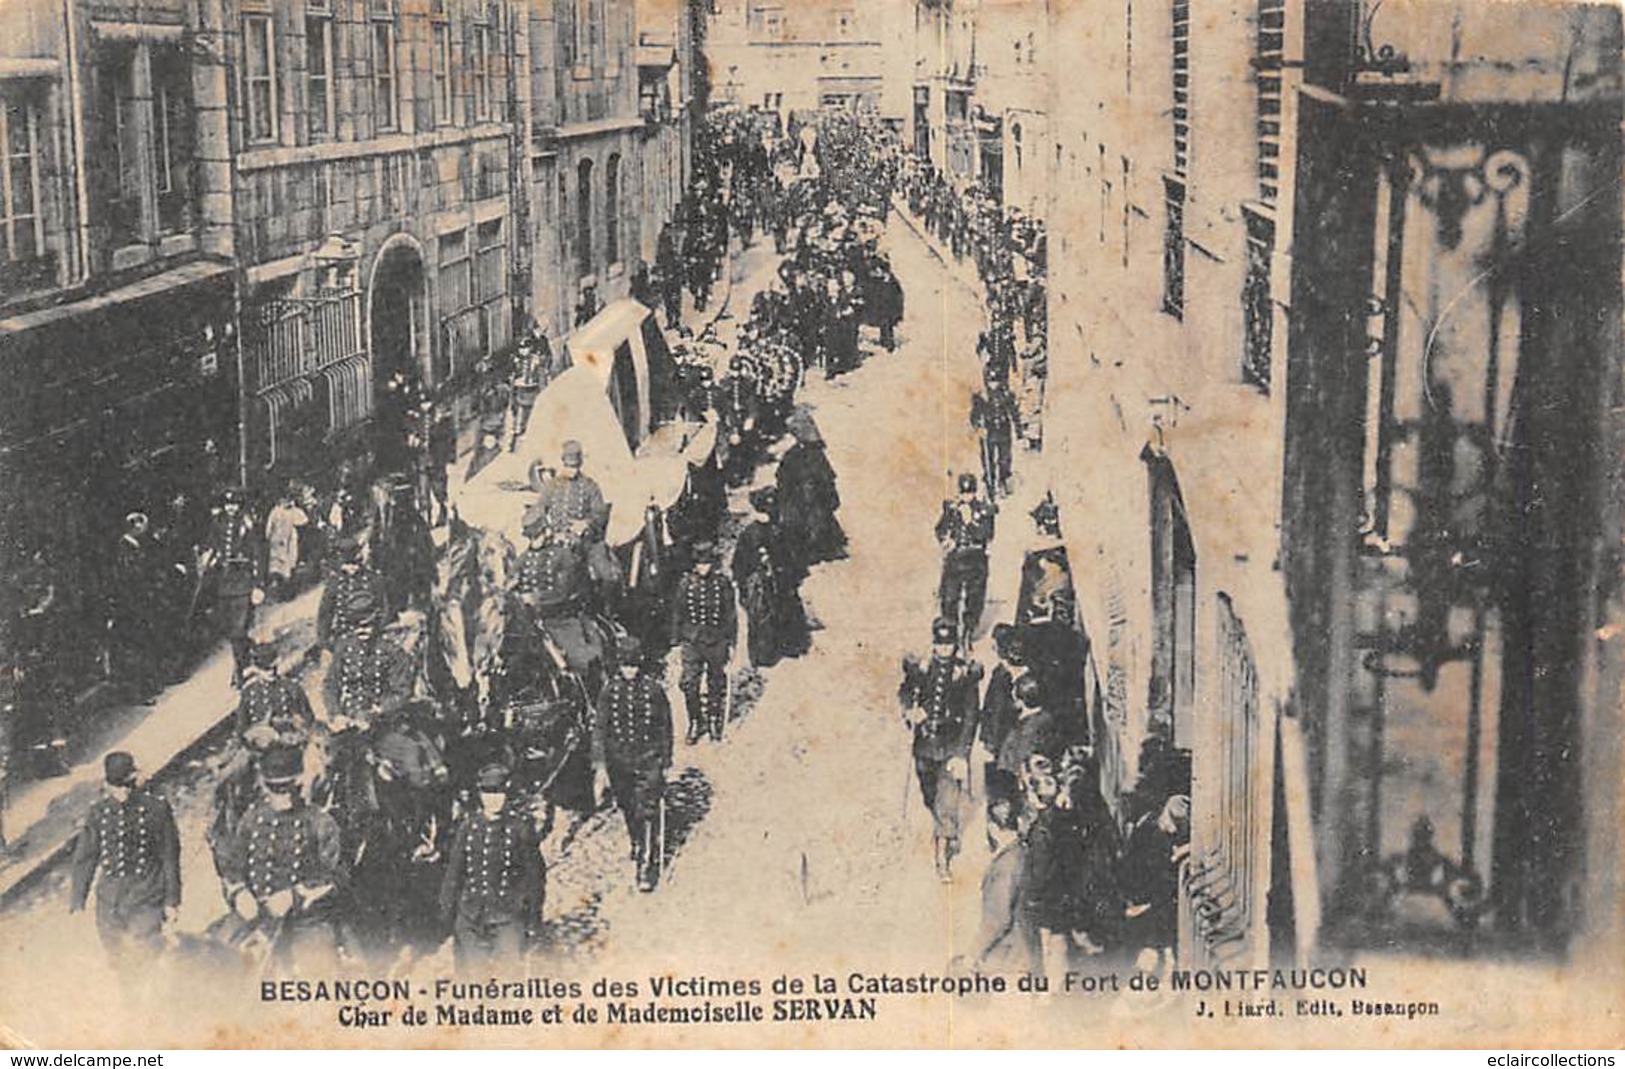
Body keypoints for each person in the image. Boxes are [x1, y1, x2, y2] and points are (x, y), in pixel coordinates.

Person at [218, 744, 345, 973]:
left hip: (306, 921)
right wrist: (239, 894)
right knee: (215, 962)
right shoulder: (251, 818)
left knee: (318, 974)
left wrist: (294, 895)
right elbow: (232, 867)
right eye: (275, 789)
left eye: (288, 788)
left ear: (299, 782)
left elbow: (337, 877)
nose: (283, 797)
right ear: (264, 785)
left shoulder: (320, 822)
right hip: (256, 915)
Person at [68, 752, 181, 975]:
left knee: (146, 957)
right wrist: (77, 902)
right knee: (119, 962)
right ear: (107, 785)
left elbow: (169, 856)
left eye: (128, 786)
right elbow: (85, 858)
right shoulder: (99, 813)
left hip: (146, 896)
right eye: (117, 787)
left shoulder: (156, 809)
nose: (124, 793)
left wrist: (172, 901)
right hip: (110, 902)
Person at [439, 761, 546, 973]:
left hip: (507, 914)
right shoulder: (468, 827)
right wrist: (448, 912)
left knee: (510, 977)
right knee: (472, 979)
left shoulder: (520, 828)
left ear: (507, 795)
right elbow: (454, 873)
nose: (493, 799)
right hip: (471, 913)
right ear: (479, 794)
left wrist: (533, 919)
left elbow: (535, 877)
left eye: (499, 792)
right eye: (487, 792)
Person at [899, 619, 984, 883]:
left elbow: (971, 717)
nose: (944, 650)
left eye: (948, 645)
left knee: (946, 802)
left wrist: (962, 754)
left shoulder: (965, 675)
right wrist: (909, 710)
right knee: (930, 796)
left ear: (955, 646)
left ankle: (942, 855)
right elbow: (905, 691)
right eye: (939, 644)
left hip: (950, 748)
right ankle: (944, 828)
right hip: (925, 746)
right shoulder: (921, 668)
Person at [592, 637, 673, 892]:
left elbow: (665, 726)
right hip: (620, 762)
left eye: (634, 665)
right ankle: (637, 842)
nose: (630, 671)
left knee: (647, 809)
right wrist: (600, 763)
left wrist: (665, 759)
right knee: (628, 806)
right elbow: (600, 729)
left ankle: (646, 866)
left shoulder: (653, 690)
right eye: (626, 666)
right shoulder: (609, 691)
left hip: (648, 759)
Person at [731, 487, 810, 668]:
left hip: (772, 579)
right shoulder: (763, 532)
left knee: (774, 611)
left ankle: (772, 651)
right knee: (770, 612)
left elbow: (739, 564)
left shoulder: (767, 531)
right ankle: (777, 649)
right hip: (765, 581)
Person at [669, 543, 738, 744]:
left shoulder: (722, 583)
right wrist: (676, 641)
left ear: (713, 564)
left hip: (716, 639)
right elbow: (677, 613)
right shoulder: (685, 584)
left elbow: (730, 615)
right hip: (692, 640)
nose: (703, 568)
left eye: (707, 564)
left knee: (715, 681)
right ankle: (696, 720)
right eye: (699, 564)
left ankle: (715, 719)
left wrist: (732, 642)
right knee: (689, 683)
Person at [205, 487, 265, 687]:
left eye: (235, 504)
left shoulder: (248, 524)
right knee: (230, 630)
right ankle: (247, 653)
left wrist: (258, 585)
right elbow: (213, 547)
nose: (231, 508)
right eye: (228, 504)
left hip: (243, 583)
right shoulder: (218, 523)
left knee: (238, 630)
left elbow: (258, 554)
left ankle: (241, 669)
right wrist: (210, 559)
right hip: (224, 584)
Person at [935, 473, 996, 650]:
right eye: (963, 493)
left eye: (969, 493)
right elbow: (940, 528)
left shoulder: (984, 510)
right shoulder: (953, 508)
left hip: (975, 559)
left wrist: (970, 521)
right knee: (949, 597)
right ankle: (951, 632)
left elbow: (987, 535)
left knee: (974, 598)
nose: (966, 497)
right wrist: (944, 539)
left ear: (975, 492)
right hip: (955, 559)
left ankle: (968, 632)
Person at [235, 642, 314, 746]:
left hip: (291, 747)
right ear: (257, 670)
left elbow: (309, 718)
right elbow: (241, 730)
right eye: (266, 669)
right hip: (262, 751)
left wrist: (297, 724)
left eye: (274, 668)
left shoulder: (291, 688)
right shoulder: (249, 694)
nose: (271, 672)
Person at [971, 368, 1019, 500]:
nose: (994, 384)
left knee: (1004, 459)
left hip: (1004, 430)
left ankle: (1003, 481)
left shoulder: (1007, 395)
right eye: (991, 381)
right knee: (988, 460)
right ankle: (989, 485)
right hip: (989, 431)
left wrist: (1019, 432)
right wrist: (978, 427)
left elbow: (1014, 413)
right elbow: (975, 414)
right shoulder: (981, 397)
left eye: (996, 381)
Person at [264, 485, 310, 601]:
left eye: (287, 499)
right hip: (276, 543)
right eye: (283, 500)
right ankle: (279, 592)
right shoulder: (275, 511)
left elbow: (303, 522)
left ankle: (288, 593)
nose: (285, 502)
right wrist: (269, 537)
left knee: (289, 566)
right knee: (277, 568)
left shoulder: (294, 511)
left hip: (290, 542)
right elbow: (269, 526)